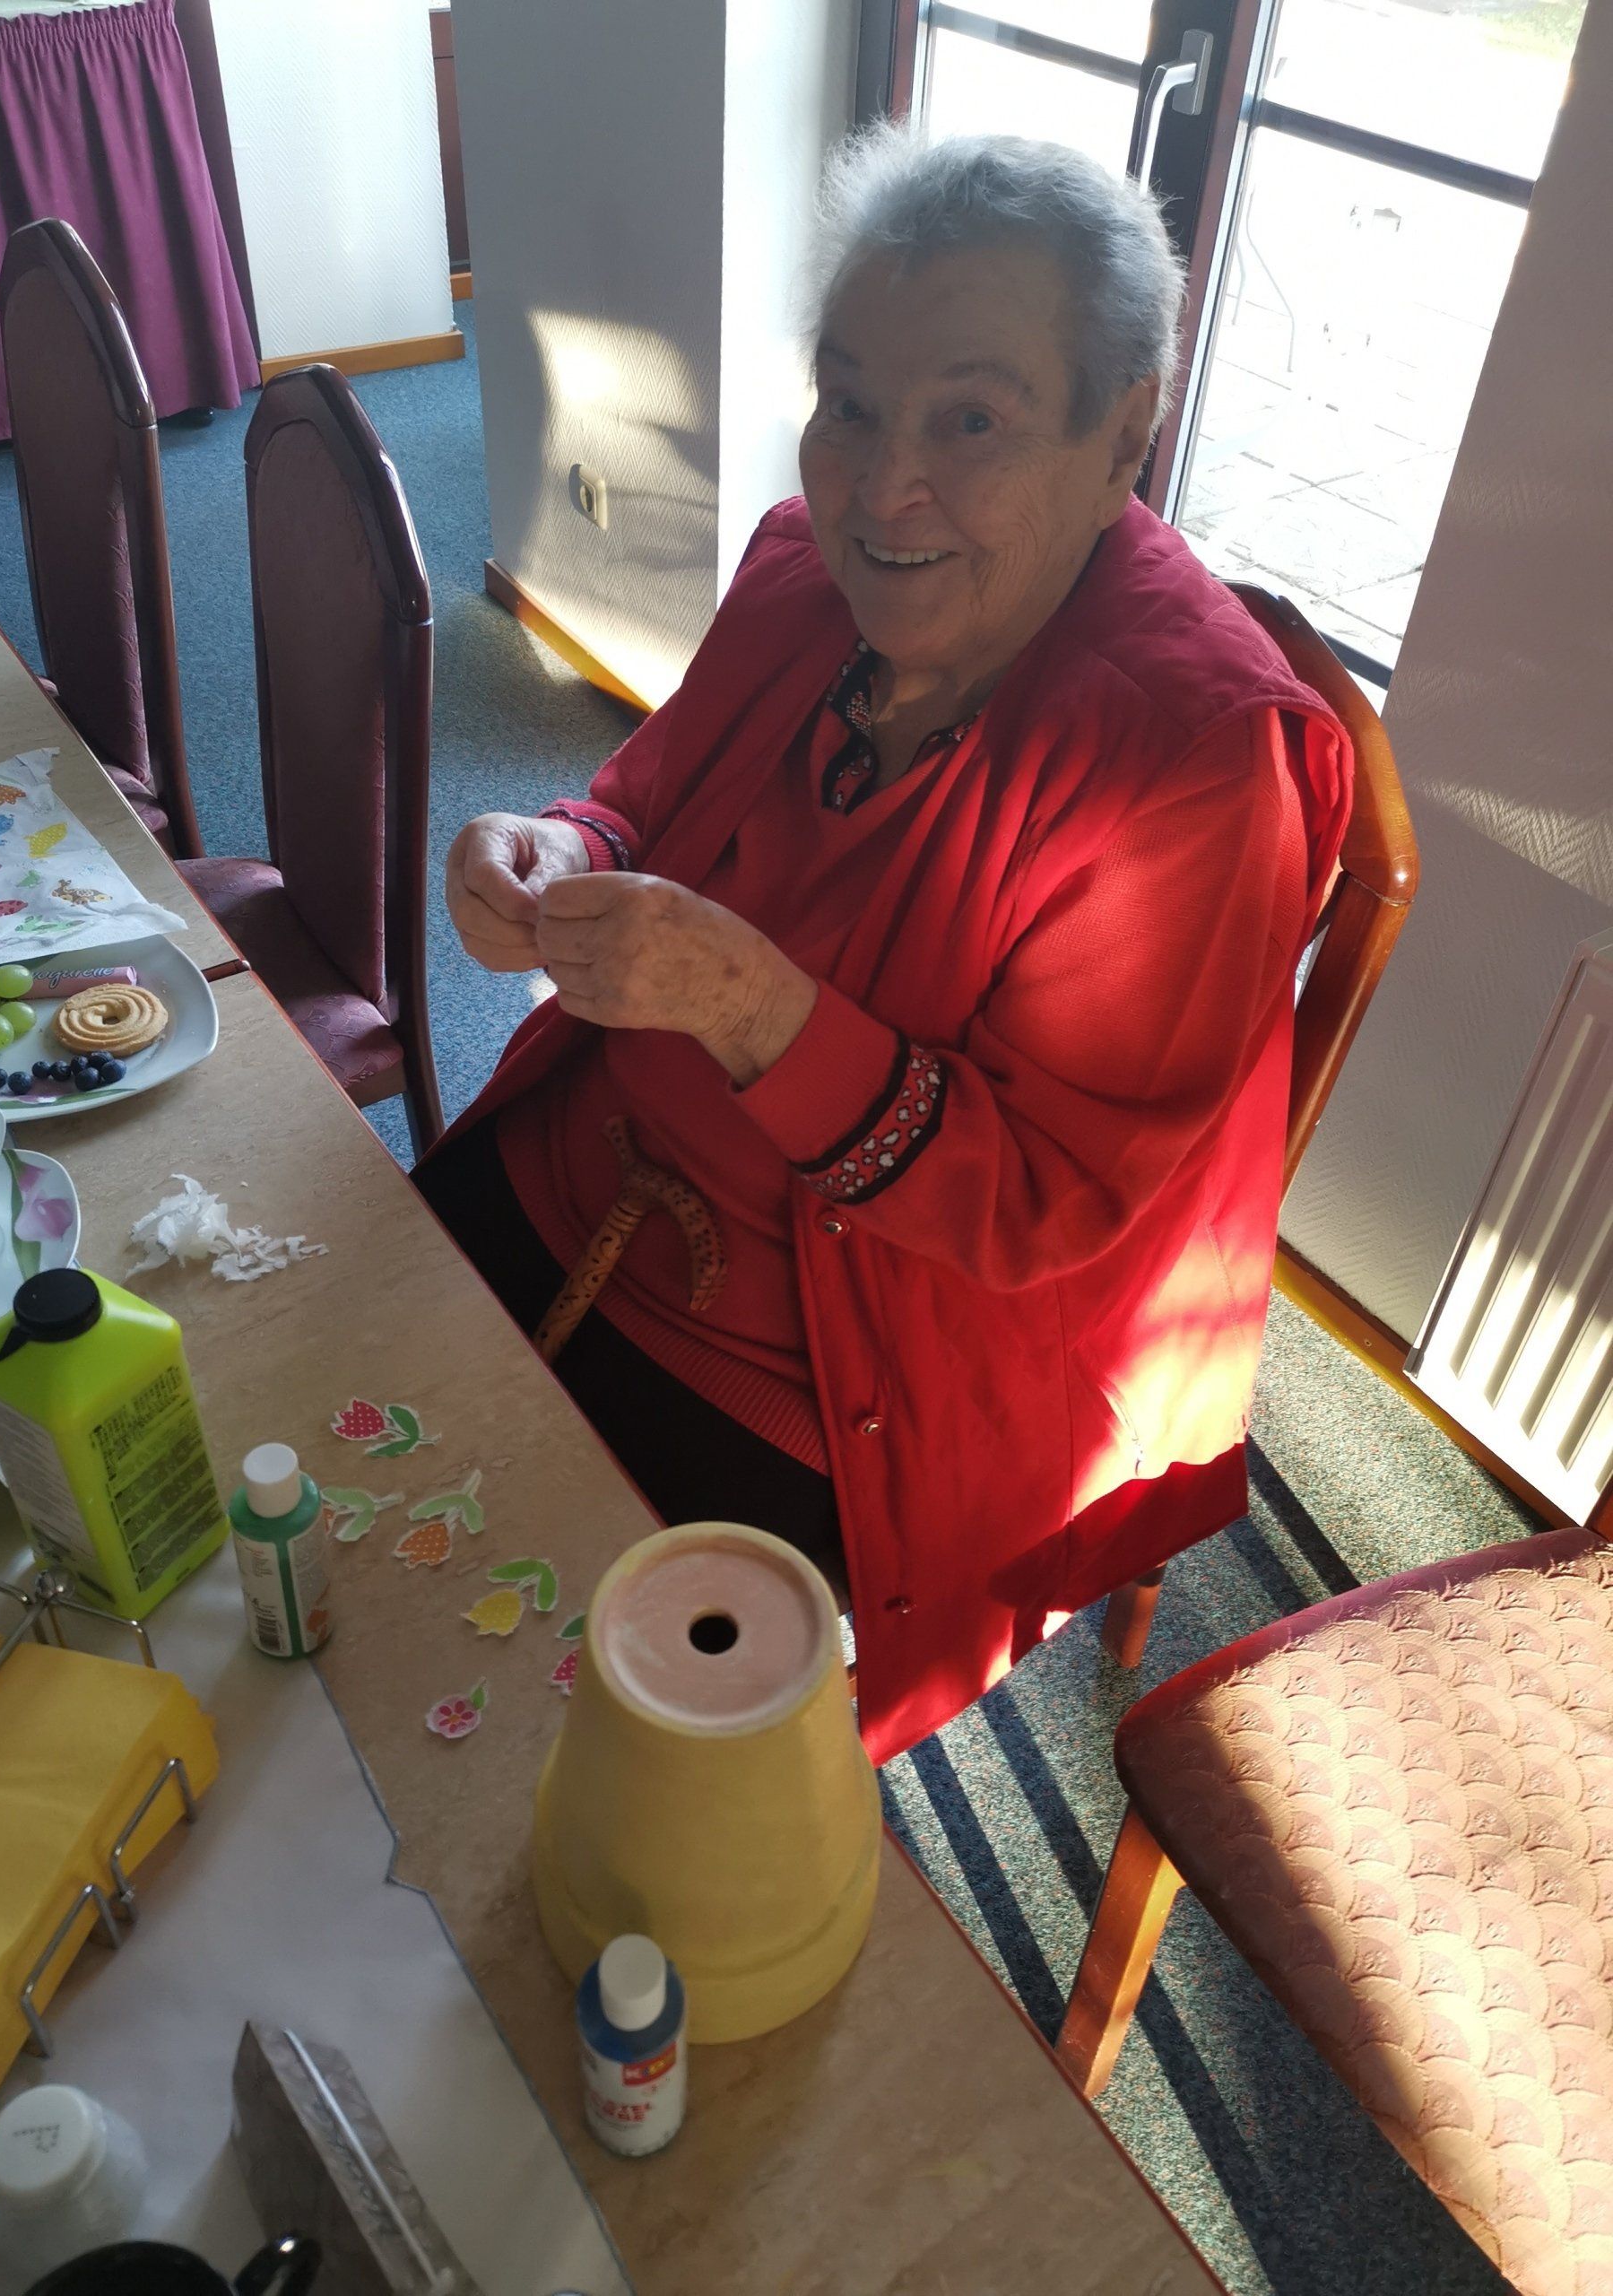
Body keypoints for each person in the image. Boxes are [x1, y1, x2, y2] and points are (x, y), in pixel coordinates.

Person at [416, 127, 1353, 1763]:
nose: (878, 484)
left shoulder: (1195, 766)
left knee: (575, 1779)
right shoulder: (804, 571)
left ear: (1126, 431)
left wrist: (754, 1009)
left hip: (851, 1376)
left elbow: (1038, 1202)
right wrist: (564, 850)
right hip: (587, 1174)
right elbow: (648, 797)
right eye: (848, 403)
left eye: (970, 421)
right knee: (311, 1424)